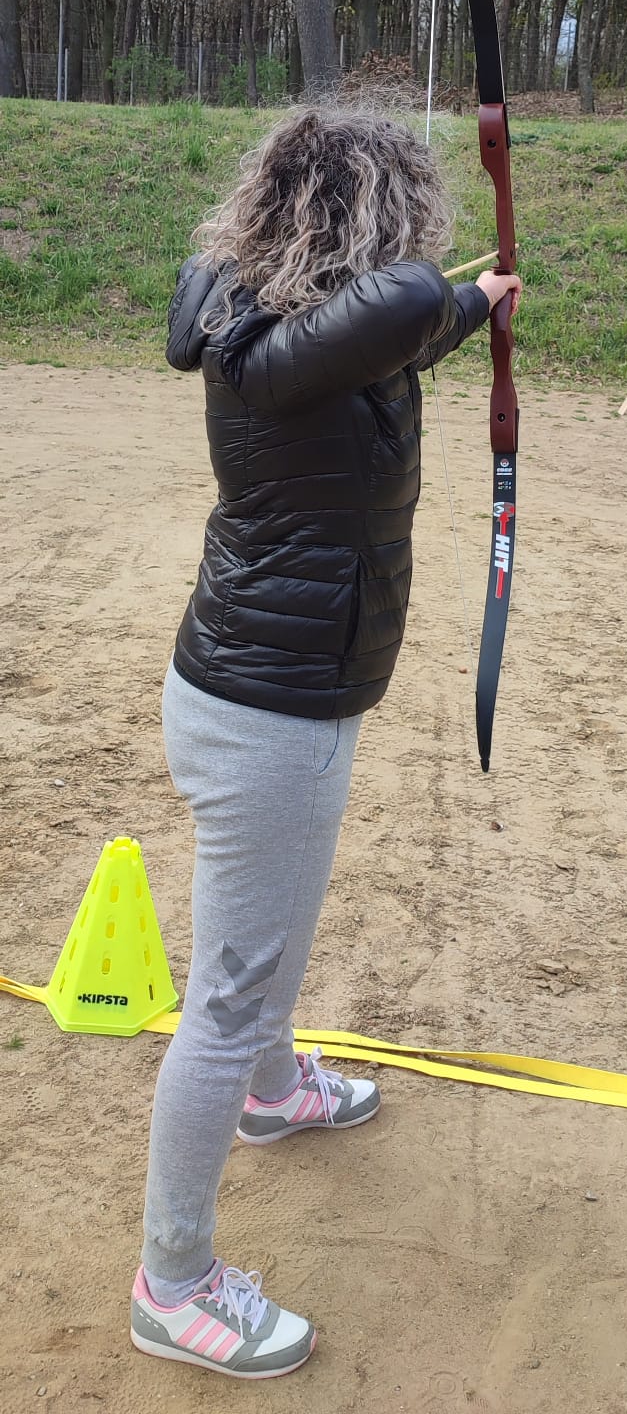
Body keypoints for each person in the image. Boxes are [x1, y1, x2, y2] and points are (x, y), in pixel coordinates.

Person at [130, 105, 521, 1381]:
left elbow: (400, 321)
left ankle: (273, 1087)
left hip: (252, 683)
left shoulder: (263, 314)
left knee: (262, 939)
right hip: (272, 710)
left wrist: (478, 304)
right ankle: (173, 1282)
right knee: (230, 990)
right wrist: (447, 293)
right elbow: (403, 302)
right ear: (375, 214)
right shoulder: (320, 335)